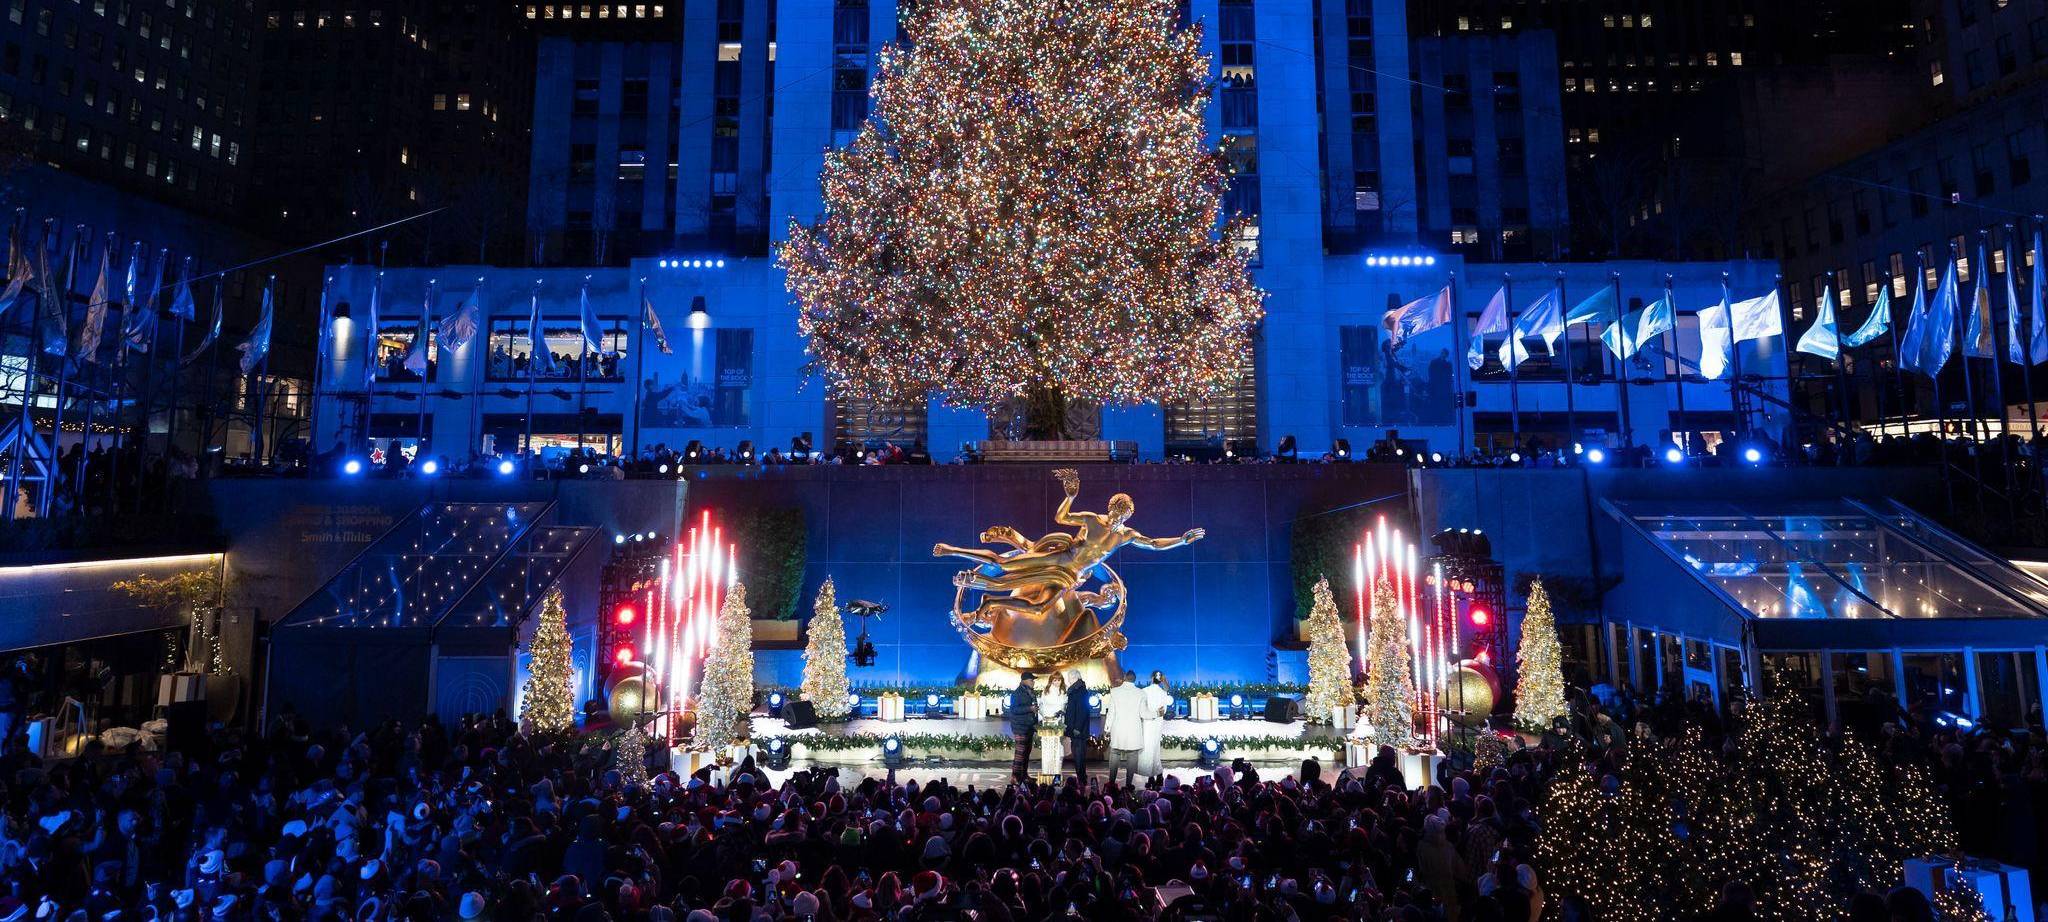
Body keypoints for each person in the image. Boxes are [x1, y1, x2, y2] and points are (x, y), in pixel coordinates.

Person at [1102, 670, 1145, 787]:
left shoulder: (1115, 692)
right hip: (1133, 731)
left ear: (1125, 677)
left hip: (1118, 730)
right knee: (1132, 756)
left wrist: (1107, 729)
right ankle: (1128, 784)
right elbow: (1144, 713)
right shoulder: (1141, 693)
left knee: (1115, 753)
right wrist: (1156, 713)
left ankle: (1111, 782)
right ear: (1135, 679)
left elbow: (1111, 713)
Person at [1139, 670, 1172, 780]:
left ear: (1151, 678)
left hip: (1147, 723)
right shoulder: (1163, 693)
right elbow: (1164, 711)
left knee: (1147, 749)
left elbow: (1141, 710)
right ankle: (1157, 773)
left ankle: (1151, 775)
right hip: (1157, 724)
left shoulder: (1144, 691)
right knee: (1155, 749)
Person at [1007, 671, 1038, 783]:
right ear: (1024, 681)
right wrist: (1029, 708)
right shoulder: (1017, 693)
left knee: (1026, 753)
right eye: (1031, 680)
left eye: (1033, 680)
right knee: (1020, 753)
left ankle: (1024, 775)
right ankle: (1015, 777)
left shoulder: (1030, 692)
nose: (1033, 682)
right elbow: (1014, 710)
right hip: (1019, 727)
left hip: (1029, 727)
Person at [1061, 672, 1093, 783]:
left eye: (1070, 678)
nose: (1069, 680)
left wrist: (1077, 728)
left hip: (1078, 730)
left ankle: (1081, 779)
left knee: (1079, 756)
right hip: (1075, 729)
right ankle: (1081, 778)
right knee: (1077, 755)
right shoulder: (1075, 690)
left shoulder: (1080, 691)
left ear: (1076, 677)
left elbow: (1082, 711)